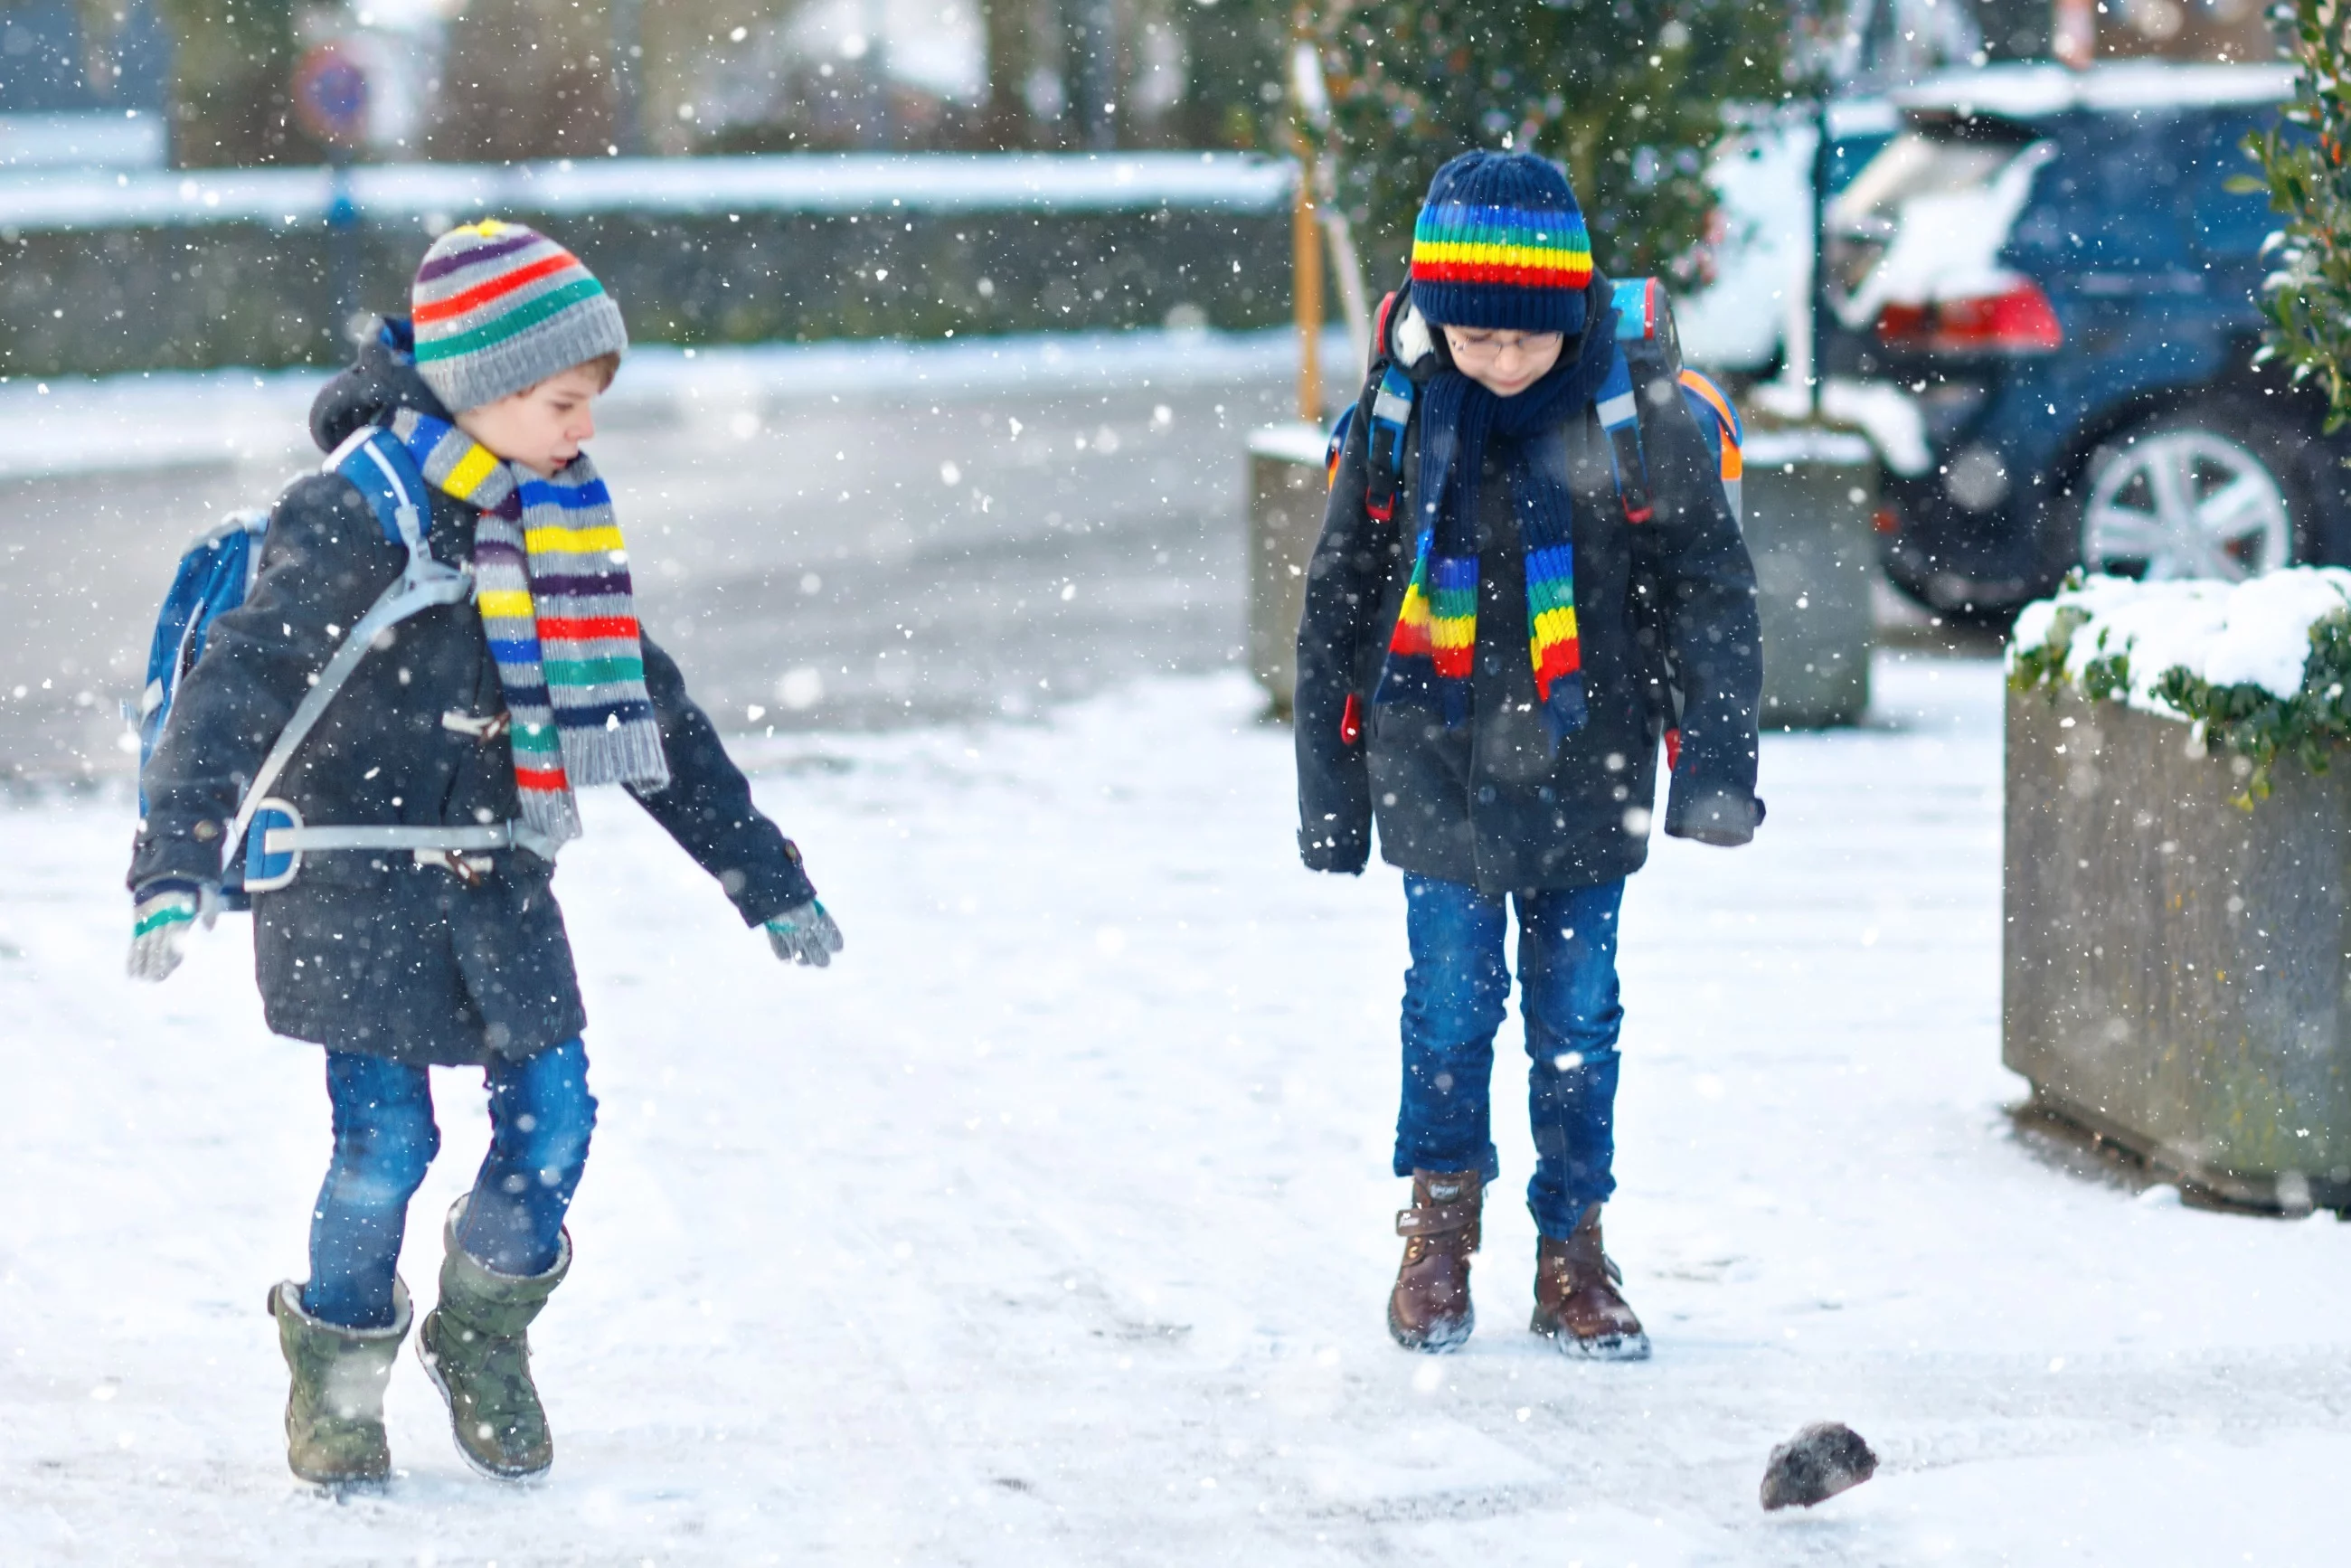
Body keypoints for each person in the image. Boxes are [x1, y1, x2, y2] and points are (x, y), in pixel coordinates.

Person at [125, 221, 845, 1486]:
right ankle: (339, 1378)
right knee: (384, 1146)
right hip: (350, 877)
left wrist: (764, 876)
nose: (584, 428)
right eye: (565, 399)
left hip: (497, 875)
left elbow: (646, 708)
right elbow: (237, 684)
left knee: (557, 1121)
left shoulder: (552, 527)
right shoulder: (354, 513)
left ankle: (481, 1331)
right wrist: (176, 860)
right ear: (483, 388)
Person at [1294, 152, 1763, 1359]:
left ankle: (1574, 1246)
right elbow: (1339, 597)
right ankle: (1440, 1231)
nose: (1501, 362)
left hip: (1586, 754)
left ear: (1570, 315)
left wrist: (1713, 764)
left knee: (1577, 1015)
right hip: (1432, 750)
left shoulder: (1636, 412)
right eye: (1475, 338)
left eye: (1527, 340)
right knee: (1448, 1007)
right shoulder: (1400, 414)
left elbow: (1711, 592)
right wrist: (1328, 791)